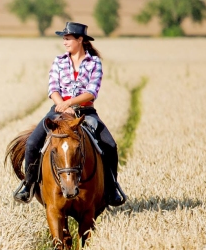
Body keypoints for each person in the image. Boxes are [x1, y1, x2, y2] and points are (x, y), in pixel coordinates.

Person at [13, 22, 126, 207]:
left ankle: (111, 188)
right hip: (58, 110)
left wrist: (71, 103)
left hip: (86, 112)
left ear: (80, 39)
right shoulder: (59, 61)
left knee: (110, 145)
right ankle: (29, 185)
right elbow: (52, 89)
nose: (64, 42)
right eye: (64, 39)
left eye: (68, 38)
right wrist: (63, 106)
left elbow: (92, 92)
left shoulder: (94, 63)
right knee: (33, 142)